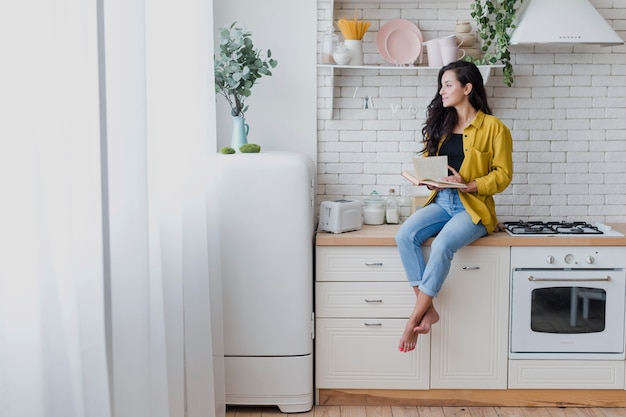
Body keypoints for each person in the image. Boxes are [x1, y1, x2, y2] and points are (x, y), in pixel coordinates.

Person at [395, 60, 513, 353]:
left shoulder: (495, 128)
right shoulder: (442, 123)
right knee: (405, 235)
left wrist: (470, 184)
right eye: (442, 85)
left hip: (471, 208)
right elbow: (429, 159)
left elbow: (503, 175)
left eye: (448, 85)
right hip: (442, 201)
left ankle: (414, 317)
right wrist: (428, 179)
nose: (442, 91)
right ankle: (428, 309)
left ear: (467, 88)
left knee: (442, 244)